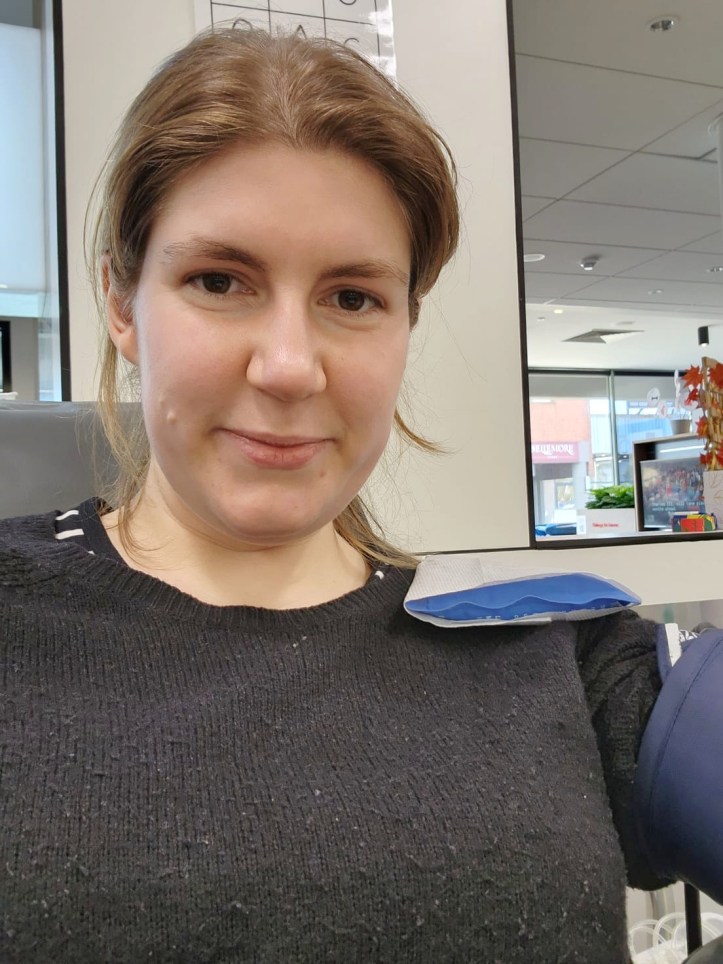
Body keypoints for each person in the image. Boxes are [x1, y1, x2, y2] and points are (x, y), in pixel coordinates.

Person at [0, 26, 710, 964]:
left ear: (406, 322)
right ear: (123, 303)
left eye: (351, 298)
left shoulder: (550, 648)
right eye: (219, 280)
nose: (289, 366)